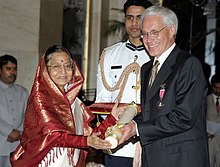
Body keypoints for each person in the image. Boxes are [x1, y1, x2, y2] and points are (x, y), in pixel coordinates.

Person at [119, 6, 210, 167]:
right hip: (153, 158)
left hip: (181, 159)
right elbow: (152, 113)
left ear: (172, 29)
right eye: (144, 34)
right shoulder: (147, 69)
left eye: (154, 32)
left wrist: (137, 129)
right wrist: (127, 122)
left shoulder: (188, 65)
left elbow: (183, 117)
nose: (148, 39)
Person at [10, 45, 124, 167]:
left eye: (67, 66)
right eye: (56, 66)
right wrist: (86, 141)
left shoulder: (76, 103)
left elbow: (91, 137)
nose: (63, 71)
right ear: (45, 70)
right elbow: (54, 136)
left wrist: (111, 119)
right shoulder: (41, 100)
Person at [95, 0, 152, 166]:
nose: (134, 23)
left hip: (148, 142)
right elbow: (102, 100)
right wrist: (113, 132)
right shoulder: (109, 54)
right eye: (130, 18)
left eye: (139, 18)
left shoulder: (158, 55)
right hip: (117, 143)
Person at [0, 54, 29, 167]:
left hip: (18, 145)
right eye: (8, 69)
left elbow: (28, 116)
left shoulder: (22, 92)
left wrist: (19, 133)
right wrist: (9, 132)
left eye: (14, 69)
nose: (12, 72)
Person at [206, 73, 220, 167]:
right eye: (216, 87)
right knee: (209, 163)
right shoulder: (205, 100)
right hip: (209, 139)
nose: (218, 90)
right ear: (212, 86)